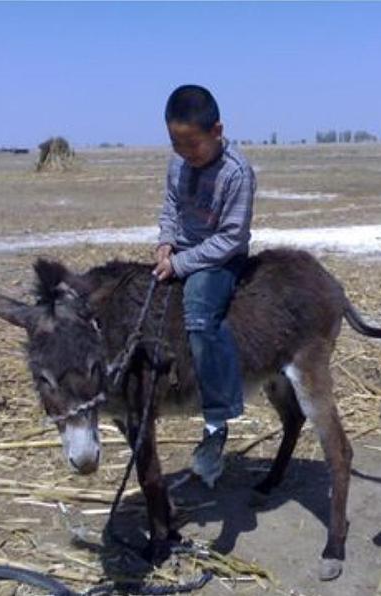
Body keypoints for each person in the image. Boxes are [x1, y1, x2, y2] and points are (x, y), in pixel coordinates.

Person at [153, 84, 256, 487]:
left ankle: (217, 420)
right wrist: (165, 243)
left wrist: (181, 264)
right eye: (176, 144)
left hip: (220, 260)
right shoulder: (177, 165)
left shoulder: (237, 173)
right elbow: (171, 209)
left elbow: (231, 238)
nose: (184, 153)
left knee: (198, 315)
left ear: (217, 130)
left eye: (192, 145)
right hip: (182, 252)